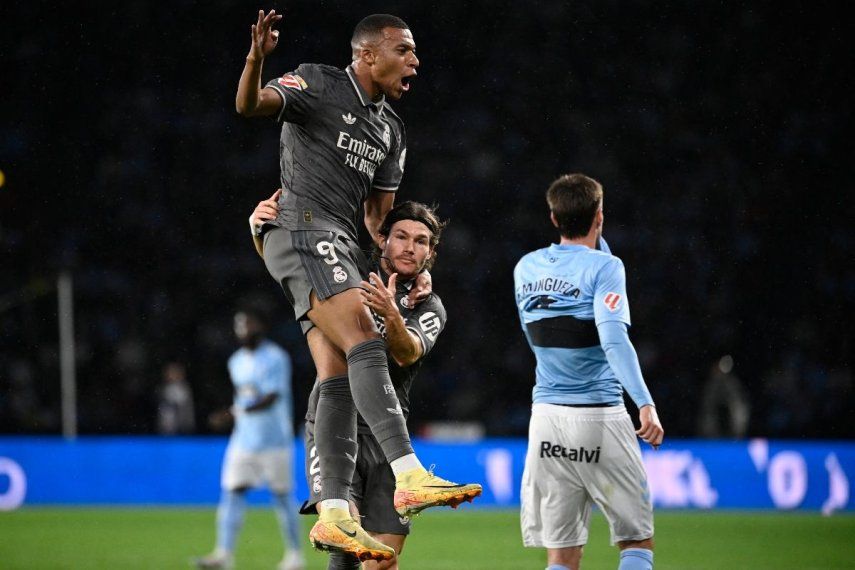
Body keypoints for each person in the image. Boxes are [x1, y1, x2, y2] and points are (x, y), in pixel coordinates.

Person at [236, 10, 481, 561]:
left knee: (337, 373)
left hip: (339, 244)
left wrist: (406, 272)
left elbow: (378, 222)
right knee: (366, 340)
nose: (415, 60)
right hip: (303, 227)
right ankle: (410, 472)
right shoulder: (318, 83)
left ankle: (334, 513)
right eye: (405, 49)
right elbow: (249, 106)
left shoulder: (390, 130)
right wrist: (257, 59)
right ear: (368, 55)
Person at [513, 173, 664, 570]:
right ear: (600, 215)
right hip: (598, 412)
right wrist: (645, 403)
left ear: (552, 217)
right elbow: (613, 340)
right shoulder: (606, 268)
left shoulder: (525, 268)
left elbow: (537, 336)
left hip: (546, 418)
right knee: (636, 541)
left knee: (562, 553)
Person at [195, 308, 305, 570]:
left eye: (248, 324)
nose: (243, 330)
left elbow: (271, 396)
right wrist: (237, 413)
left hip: (275, 440)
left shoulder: (276, 357)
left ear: (260, 326)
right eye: (239, 326)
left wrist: (234, 412)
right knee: (232, 492)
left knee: (281, 495)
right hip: (243, 440)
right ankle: (223, 553)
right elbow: (243, 396)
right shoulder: (235, 361)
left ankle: (294, 555)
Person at [156, 361, 195, 435]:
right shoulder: (163, 387)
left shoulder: (183, 388)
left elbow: (183, 408)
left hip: (181, 427)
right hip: (166, 426)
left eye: (173, 372)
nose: (169, 375)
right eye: (168, 372)